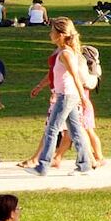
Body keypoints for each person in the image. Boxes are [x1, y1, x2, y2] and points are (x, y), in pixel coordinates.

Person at [28, 18, 95, 175]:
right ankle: (85, 165)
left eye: (52, 32)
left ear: (61, 35)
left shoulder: (66, 53)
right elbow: (53, 74)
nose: (50, 34)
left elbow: (75, 76)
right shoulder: (61, 52)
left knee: (52, 129)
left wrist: (83, 98)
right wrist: (40, 86)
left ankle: (42, 166)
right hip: (65, 95)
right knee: (75, 130)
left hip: (66, 96)